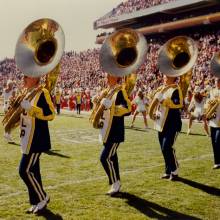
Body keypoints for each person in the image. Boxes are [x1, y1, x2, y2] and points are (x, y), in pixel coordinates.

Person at [19, 75, 55, 214]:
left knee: (24, 171)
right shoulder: (26, 93)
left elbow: (51, 114)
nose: (23, 78)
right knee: (34, 172)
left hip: (36, 138)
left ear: (35, 78)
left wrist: (32, 108)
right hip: (26, 137)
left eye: (27, 76)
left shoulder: (42, 92)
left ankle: (43, 197)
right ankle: (35, 202)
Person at [99, 74, 131, 196]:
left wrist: (113, 108)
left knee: (104, 158)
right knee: (112, 158)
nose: (106, 76)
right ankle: (116, 183)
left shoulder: (120, 91)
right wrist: (96, 101)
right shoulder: (106, 91)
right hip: (105, 130)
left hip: (115, 132)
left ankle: (115, 183)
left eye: (109, 75)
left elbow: (128, 109)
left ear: (115, 77)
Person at [150, 75, 183, 180]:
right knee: (163, 149)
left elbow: (178, 104)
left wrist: (163, 101)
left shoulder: (176, 89)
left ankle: (175, 170)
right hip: (161, 123)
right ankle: (168, 170)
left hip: (172, 124)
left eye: (166, 75)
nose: (164, 76)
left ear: (172, 77)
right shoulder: (161, 88)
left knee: (167, 147)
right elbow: (152, 98)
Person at [205, 77, 220, 169]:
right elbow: (207, 102)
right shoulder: (211, 91)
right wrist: (207, 107)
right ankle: (217, 162)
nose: (216, 83)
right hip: (212, 120)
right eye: (215, 81)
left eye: (218, 81)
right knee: (213, 142)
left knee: (218, 141)